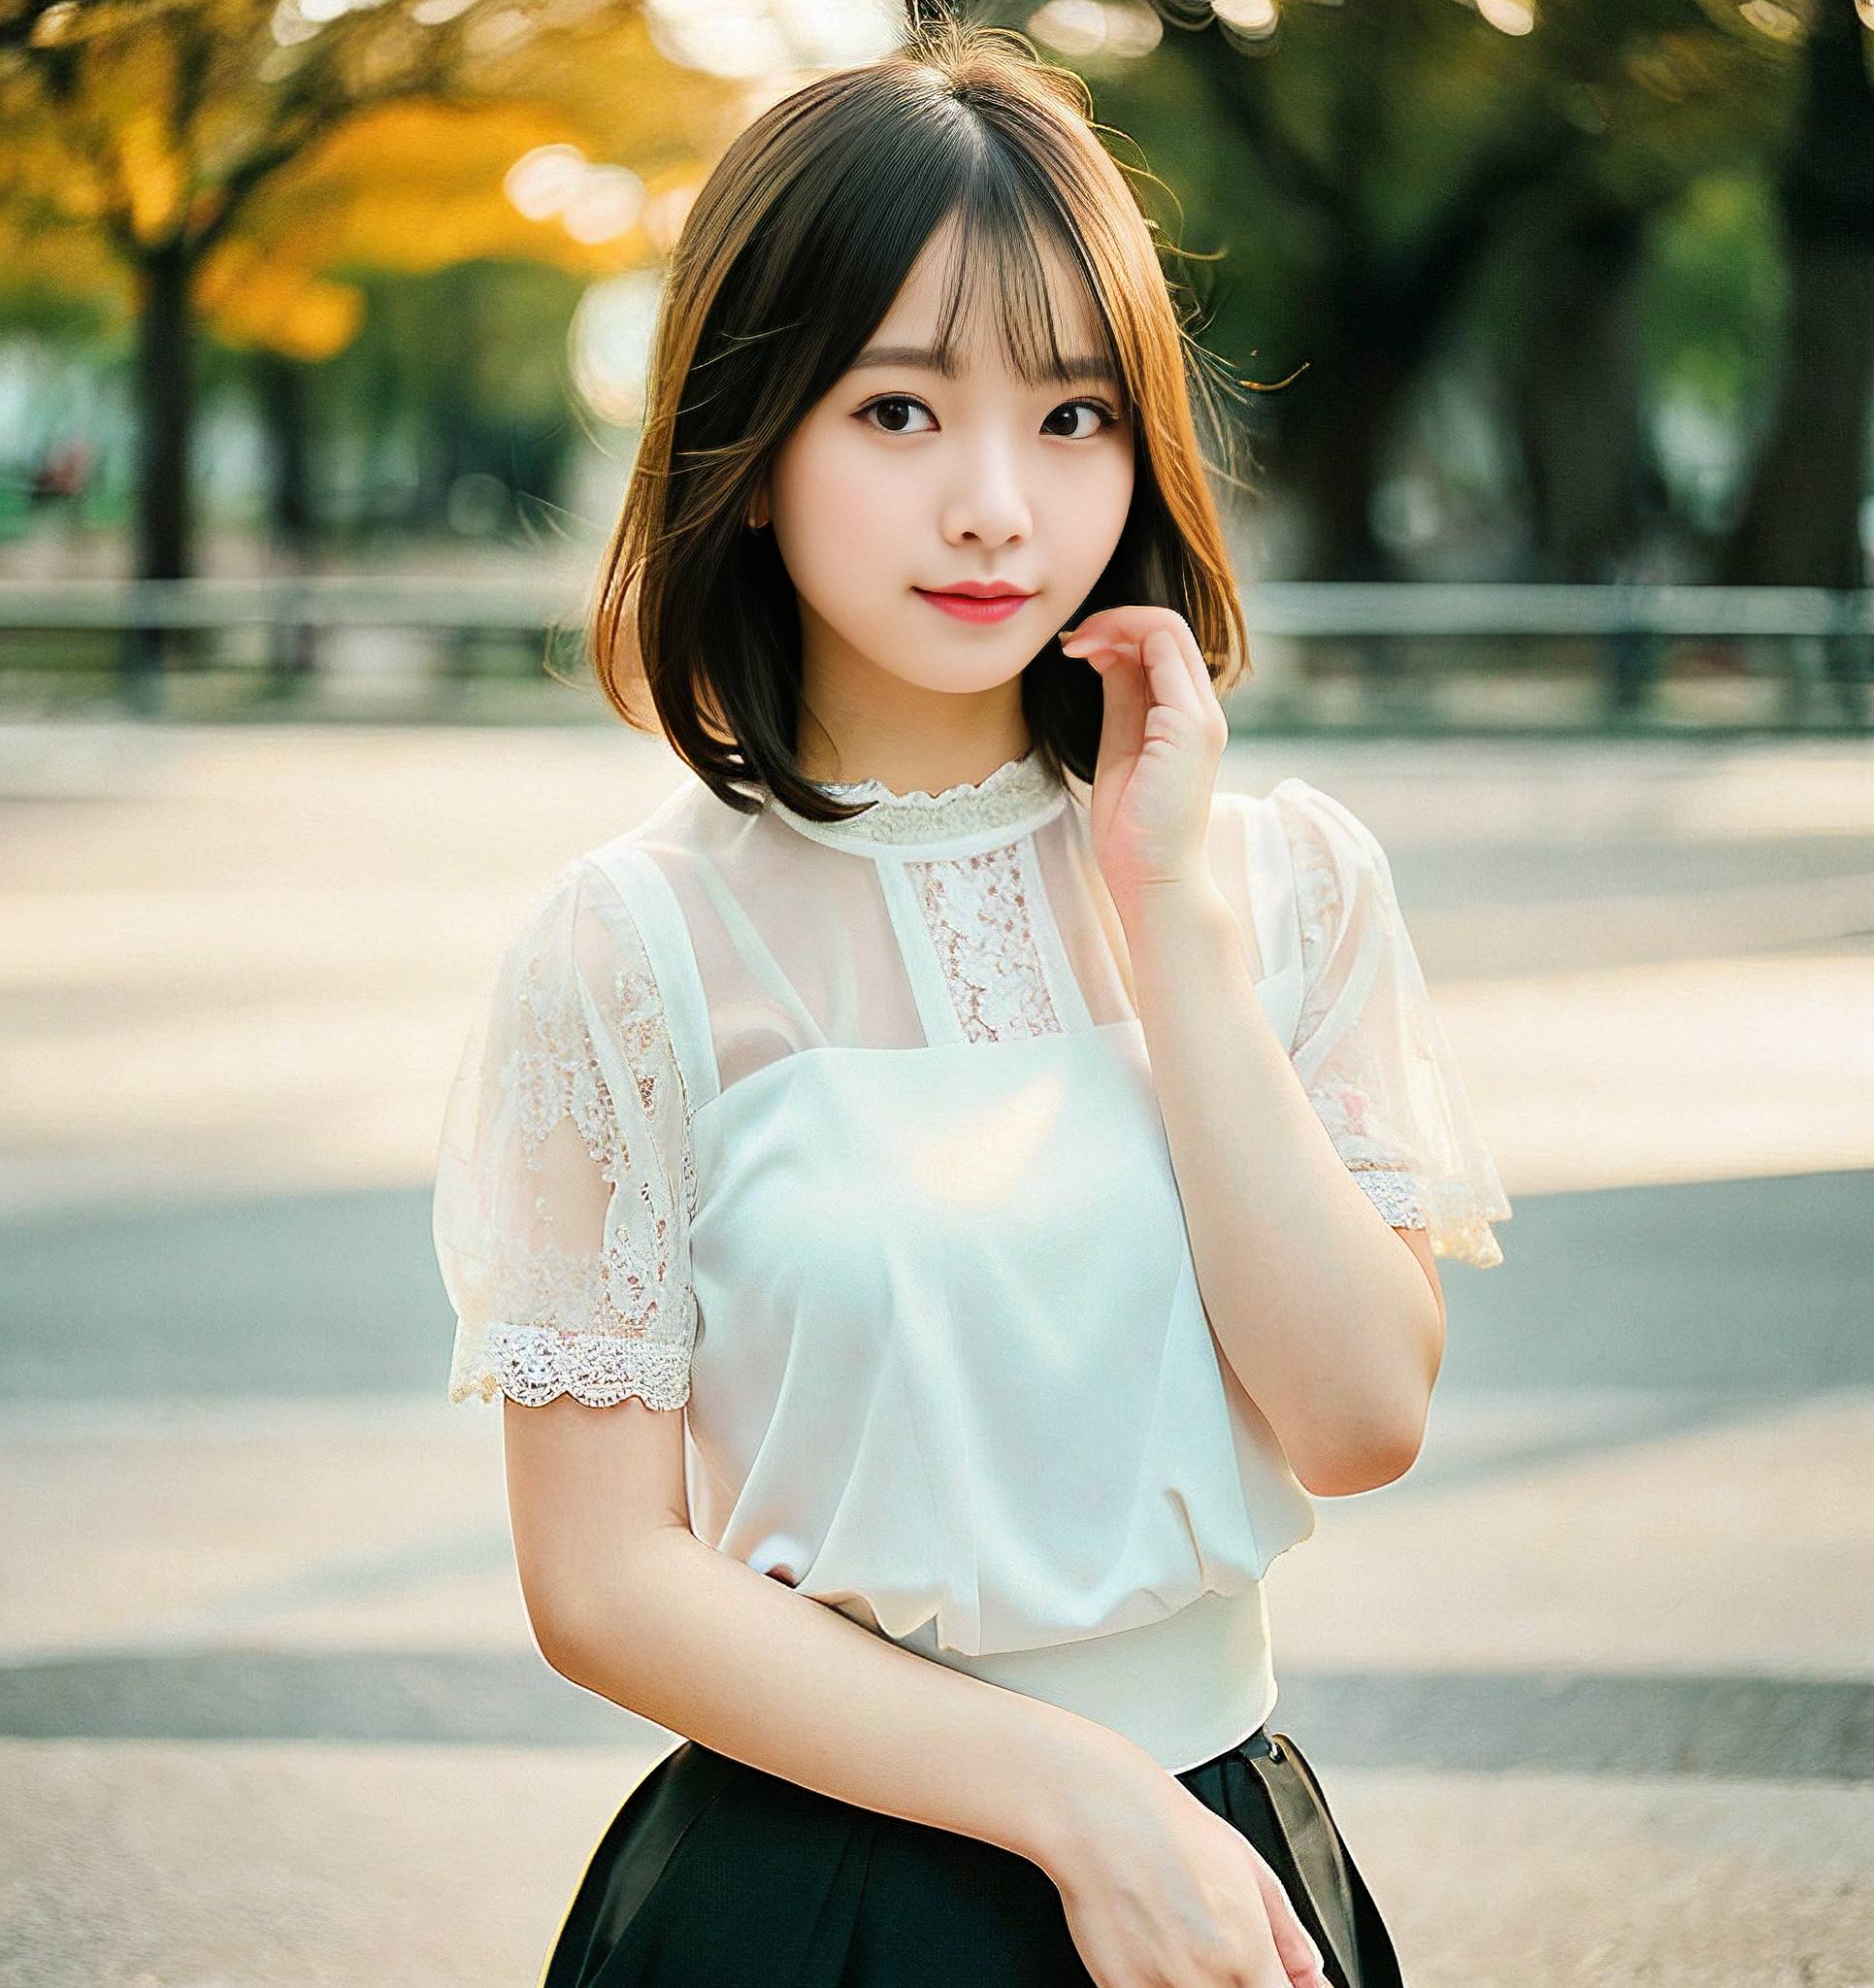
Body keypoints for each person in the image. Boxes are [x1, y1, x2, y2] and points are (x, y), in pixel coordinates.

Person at [431, 19, 1511, 1986]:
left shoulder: (1272, 884)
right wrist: (1076, 1796)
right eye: (901, 412)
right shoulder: (631, 948)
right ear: (748, 451)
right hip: (811, 1896)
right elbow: (596, 1578)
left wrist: (1166, 915)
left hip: (1231, 1855)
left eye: (1074, 414)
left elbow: (1357, 1415)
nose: (998, 506)